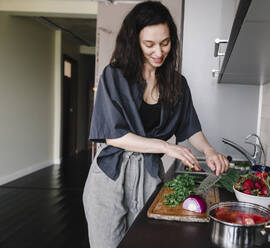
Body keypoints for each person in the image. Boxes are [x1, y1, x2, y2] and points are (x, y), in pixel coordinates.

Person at [82, 1, 229, 247]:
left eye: (165, 43)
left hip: (149, 178)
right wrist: (165, 147)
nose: (158, 52)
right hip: (109, 178)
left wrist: (209, 150)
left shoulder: (177, 84)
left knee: (145, 241)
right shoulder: (114, 76)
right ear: (134, 42)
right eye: (149, 44)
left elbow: (190, 127)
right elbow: (113, 136)